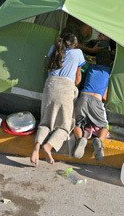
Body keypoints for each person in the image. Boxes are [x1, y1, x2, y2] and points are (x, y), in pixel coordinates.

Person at [30, 31, 85, 166]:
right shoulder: (78, 53)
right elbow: (78, 77)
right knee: (65, 126)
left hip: (50, 85)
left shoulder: (53, 49)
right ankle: (48, 146)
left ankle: (36, 148)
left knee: (45, 122)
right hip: (66, 89)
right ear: (75, 44)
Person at [72, 34, 114, 161]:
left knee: (78, 124)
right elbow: (105, 97)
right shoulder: (108, 73)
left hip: (83, 98)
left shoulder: (90, 68)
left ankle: (81, 139)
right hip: (96, 100)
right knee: (104, 127)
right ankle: (99, 141)